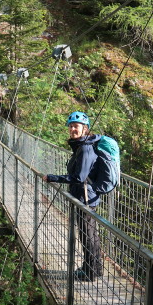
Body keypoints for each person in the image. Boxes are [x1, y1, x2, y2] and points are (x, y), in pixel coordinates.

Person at [42, 111, 103, 282]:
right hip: (85, 196)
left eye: (76, 126)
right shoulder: (80, 146)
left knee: (87, 235)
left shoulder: (84, 148)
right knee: (90, 234)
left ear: (85, 129)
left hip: (85, 198)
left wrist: (53, 178)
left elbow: (79, 178)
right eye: (70, 126)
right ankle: (93, 268)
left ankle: (90, 272)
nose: (72, 129)